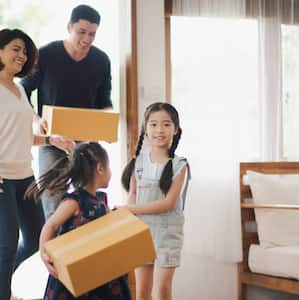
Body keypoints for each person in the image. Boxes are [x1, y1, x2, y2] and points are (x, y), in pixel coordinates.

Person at [0, 28, 74, 300]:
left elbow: (21, 136)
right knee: (6, 244)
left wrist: (51, 140)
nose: (21, 55)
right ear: (0, 51)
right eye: (15, 48)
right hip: (3, 179)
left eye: (25, 51)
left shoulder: (19, 90)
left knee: (34, 240)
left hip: (24, 175)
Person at [21, 4, 113, 219]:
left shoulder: (101, 60)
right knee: (54, 205)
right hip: (53, 141)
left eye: (92, 34)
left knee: (88, 204)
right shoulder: (45, 55)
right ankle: (54, 250)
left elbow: (105, 102)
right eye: (82, 32)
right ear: (69, 27)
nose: (87, 39)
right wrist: (36, 119)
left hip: (87, 144)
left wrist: (108, 126)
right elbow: (23, 89)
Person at [25, 142, 131, 300]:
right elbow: (51, 225)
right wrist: (44, 253)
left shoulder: (101, 200)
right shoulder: (74, 201)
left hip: (99, 270)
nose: (110, 172)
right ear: (100, 168)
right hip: (76, 271)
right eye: (108, 168)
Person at [120, 102, 191, 300]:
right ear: (146, 129)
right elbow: (133, 193)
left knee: (162, 290)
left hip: (167, 234)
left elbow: (168, 204)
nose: (159, 130)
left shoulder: (180, 165)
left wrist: (131, 209)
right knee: (142, 292)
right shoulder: (138, 162)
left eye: (166, 124)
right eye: (153, 124)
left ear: (175, 130)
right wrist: (128, 211)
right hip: (141, 232)